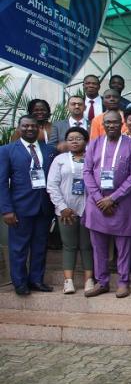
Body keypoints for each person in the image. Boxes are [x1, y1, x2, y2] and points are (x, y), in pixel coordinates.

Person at [82, 111, 131, 298]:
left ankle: (124, 282)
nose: (111, 126)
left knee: (123, 246)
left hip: (121, 203)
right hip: (96, 203)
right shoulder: (94, 144)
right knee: (98, 246)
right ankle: (102, 282)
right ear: (103, 124)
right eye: (107, 123)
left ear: (121, 123)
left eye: (115, 122)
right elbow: (87, 172)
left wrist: (113, 198)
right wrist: (99, 197)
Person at [0, 116, 54, 295]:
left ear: (38, 128)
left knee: (40, 247)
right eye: (25, 126)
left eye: (33, 126)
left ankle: (36, 280)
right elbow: (1, 182)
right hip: (19, 208)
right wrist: (6, 209)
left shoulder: (49, 150)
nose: (30, 129)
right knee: (19, 248)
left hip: (44, 207)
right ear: (19, 128)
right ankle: (20, 283)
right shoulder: (7, 151)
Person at [46, 126, 94, 294]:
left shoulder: (93, 158)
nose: (74, 141)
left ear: (86, 141)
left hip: (89, 211)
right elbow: (52, 185)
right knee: (69, 246)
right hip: (65, 212)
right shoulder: (60, 160)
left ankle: (89, 280)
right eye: (71, 138)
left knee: (87, 246)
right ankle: (69, 281)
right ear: (66, 142)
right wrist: (63, 207)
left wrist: (92, 208)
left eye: (78, 138)